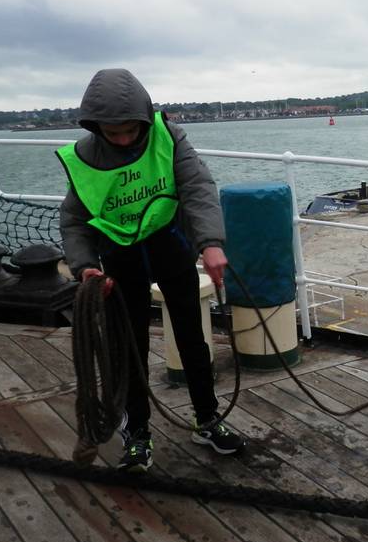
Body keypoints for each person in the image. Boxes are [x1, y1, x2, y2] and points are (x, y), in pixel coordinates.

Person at [57, 68, 244, 473]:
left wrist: (210, 243)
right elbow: (74, 220)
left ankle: (207, 419)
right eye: (113, 133)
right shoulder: (84, 158)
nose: (124, 139)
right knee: (130, 349)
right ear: (96, 127)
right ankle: (138, 434)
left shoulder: (170, 137)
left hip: (171, 248)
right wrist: (85, 267)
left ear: (143, 119)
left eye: (130, 131)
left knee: (193, 340)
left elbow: (196, 188)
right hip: (119, 264)